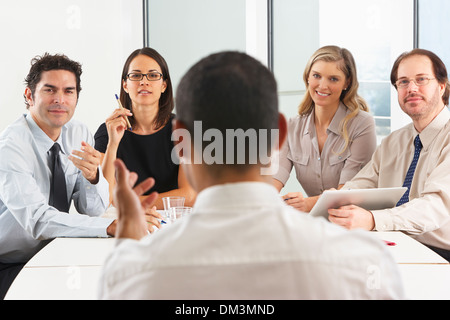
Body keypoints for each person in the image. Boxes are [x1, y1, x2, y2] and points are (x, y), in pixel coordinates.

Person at [98, 51, 404, 299]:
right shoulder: (365, 266)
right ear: (280, 133)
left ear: (182, 139)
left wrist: (128, 243)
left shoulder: (131, 272)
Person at [0, 53, 115, 299]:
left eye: (69, 91)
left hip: (55, 251)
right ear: (29, 95)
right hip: (9, 262)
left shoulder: (78, 133)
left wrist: (94, 177)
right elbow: (38, 220)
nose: (60, 100)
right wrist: (111, 225)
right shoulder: (11, 146)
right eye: (50, 90)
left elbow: (92, 210)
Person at [328, 49, 450, 262]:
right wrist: (335, 200)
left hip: (440, 254)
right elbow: (364, 183)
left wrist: (373, 219)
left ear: (441, 86)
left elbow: (436, 207)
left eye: (421, 79)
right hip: (395, 243)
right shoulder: (394, 142)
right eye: (403, 82)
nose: (411, 88)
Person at [273, 46, 376, 212]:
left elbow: (348, 194)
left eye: (333, 79)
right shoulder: (292, 126)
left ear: (347, 83)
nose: (322, 85)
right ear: (307, 77)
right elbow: (273, 178)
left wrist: (306, 204)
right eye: (316, 76)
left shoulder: (362, 124)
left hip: (355, 221)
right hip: (317, 223)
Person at [94, 48, 196, 210]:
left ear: (164, 85)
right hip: (127, 222)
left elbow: (189, 195)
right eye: (136, 75)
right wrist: (113, 143)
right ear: (125, 85)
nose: (144, 82)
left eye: (153, 75)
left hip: (173, 223)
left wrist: (130, 202)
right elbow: (104, 197)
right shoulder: (108, 130)